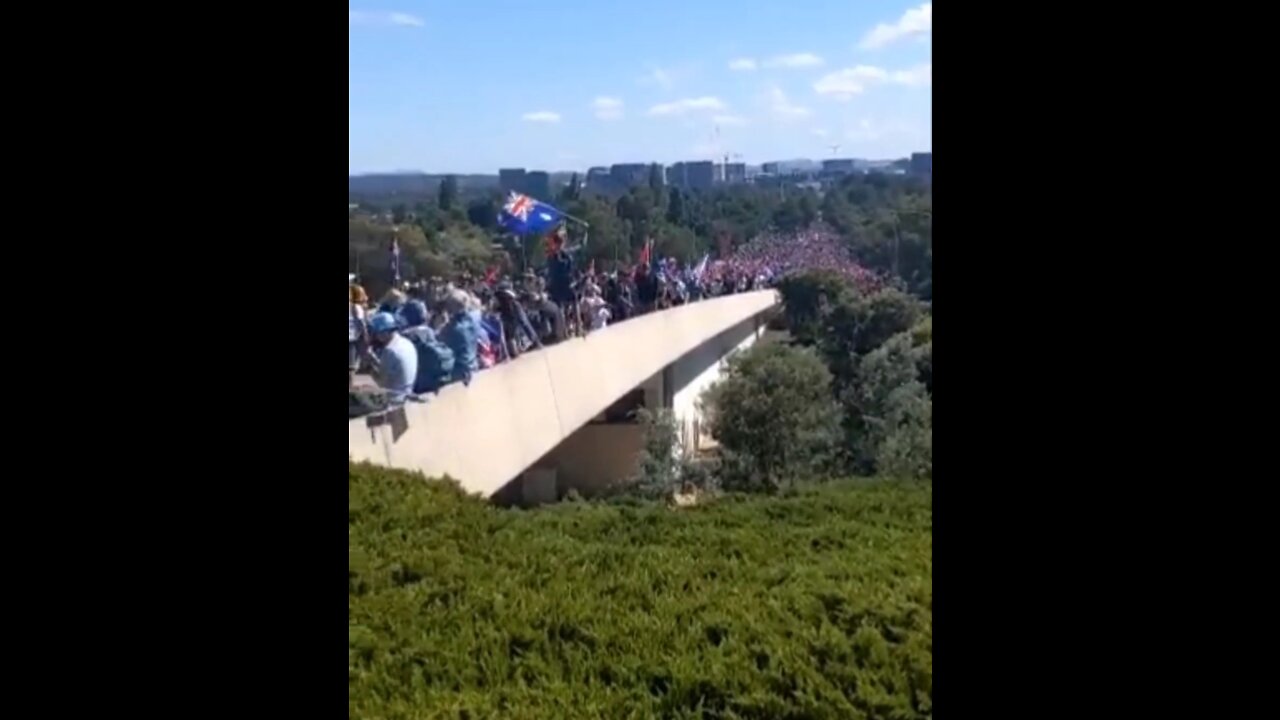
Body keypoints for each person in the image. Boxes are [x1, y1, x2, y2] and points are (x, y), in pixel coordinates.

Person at [366, 311, 417, 403]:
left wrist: (370, 368)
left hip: (394, 399)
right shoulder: (407, 343)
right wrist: (374, 359)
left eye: (376, 333)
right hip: (408, 393)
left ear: (384, 332)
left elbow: (382, 383)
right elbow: (392, 368)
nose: (376, 336)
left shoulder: (389, 350)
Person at [440, 290, 479, 384]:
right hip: (474, 366)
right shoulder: (474, 319)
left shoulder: (452, 328)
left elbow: (439, 342)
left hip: (459, 372)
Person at [349, 284, 369, 389]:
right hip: (352, 340)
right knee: (351, 367)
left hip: (353, 338)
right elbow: (362, 325)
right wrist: (366, 337)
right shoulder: (356, 308)